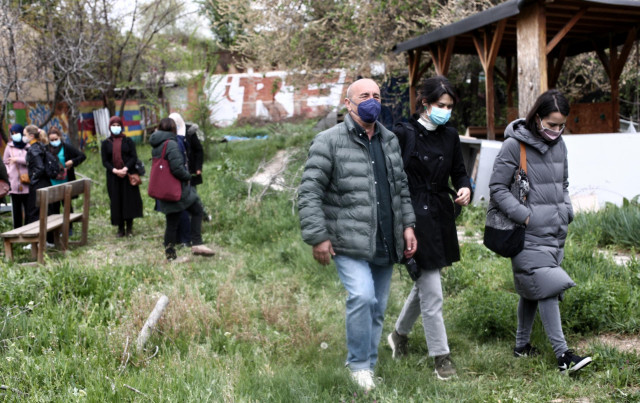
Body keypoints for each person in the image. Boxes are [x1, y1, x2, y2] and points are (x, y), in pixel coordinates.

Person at [298, 78, 417, 391]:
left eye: (376, 95)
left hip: (386, 237)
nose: (372, 100)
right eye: (364, 95)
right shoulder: (329, 141)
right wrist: (318, 236)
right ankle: (358, 365)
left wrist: (407, 224)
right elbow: (309, 191)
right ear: (348, 103)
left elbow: (401, 187)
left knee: (377, 306)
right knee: (362, 297)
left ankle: (369, 365)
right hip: (347, 238)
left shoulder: (389, 139)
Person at [488, 89, 592, 374]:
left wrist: (566, 209)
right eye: (551, 124)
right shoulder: (514, 145)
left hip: (555, 231)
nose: (556, 131)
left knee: (531, 288)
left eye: (561, 125)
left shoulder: (561, 145)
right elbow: (496, 188)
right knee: (547, 286)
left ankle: (522, 347)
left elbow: (564, 184)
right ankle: (563, 356)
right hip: (526, 233)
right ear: (537, 118)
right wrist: (525, 216)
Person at [386, 76, 471, 380]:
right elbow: (391, 180)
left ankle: (399, 335)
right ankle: (441, 357)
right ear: (424, 103)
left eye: (449, 106)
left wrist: (465, 189)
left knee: (425, 282)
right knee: (433, 291)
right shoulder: (402, 134)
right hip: (413, 216)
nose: (445, 111)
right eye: (440, 105)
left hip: (440, 214)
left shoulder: (450, 136)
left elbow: (460, 173)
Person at [149, 117, 215, 261]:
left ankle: (193, 246)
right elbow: (177, 168)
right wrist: (188, 177)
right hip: (176, 190)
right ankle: (175, 255)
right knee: (186, 216)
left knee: (186, 215)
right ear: (173, 129)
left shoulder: (156, 144)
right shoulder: (171, 143)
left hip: (165, 190)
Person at [101, 116, 143, 237]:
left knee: (128, 200)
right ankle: (120, 228)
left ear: (121, 126)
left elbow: (133, 157)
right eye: (113, 125)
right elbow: (105, 161)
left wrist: (125, 168)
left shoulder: (128, 141)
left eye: (117, 125)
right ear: (110, 127)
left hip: (127, 174)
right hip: (113, 176)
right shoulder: (106, 143)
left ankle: (129, 227)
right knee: (116, 201)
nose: (115, 128)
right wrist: (114, 170)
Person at [168, 112, 191, 247]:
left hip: (170, 181)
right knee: (181, 210)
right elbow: (179, 165)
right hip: (179, 180)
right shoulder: (178, 142)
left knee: (175, 211)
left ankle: (178, 238)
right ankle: (184, 239)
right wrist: (187, 176)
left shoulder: (166, 141)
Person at [3, 124, 30, 228]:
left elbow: (30, 161)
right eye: (13, 133)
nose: (15, 135)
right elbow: (5, 162)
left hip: (27, 183)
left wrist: (16, 160)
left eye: (17, 133)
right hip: (14, 184)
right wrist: (8, 171)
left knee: (28, 210)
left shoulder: (28, 147)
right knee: (16, 211)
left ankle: (28, 231)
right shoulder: (9, 146)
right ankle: (17, 232)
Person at [24, 125, 51, 225]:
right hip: (45, 182)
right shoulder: (41, 146)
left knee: (33, 211)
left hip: (38, 185)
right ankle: (48, 238)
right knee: (45, 210)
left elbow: (39, 167)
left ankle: (34, 239)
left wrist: (32, 179)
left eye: (24, 134)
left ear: (31, 136)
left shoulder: (34, 149)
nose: (23, 137)